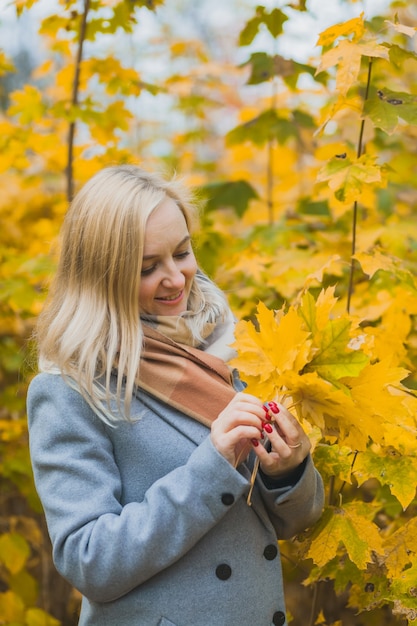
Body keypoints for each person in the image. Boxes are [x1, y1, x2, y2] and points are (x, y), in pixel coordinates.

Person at [27, 164, 324, 626]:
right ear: (102, 276)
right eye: (148, 268)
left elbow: (287, 524)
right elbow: (89, 561)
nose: (177, 278)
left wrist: (288, 471)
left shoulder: (224, 348)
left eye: (182, 253)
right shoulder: (69, 387)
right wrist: (212, 466)